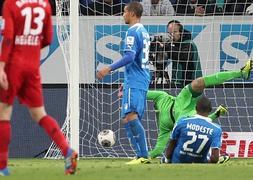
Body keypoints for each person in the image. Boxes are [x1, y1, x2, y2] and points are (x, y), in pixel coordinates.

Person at [0, 0, 77, 176]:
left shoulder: (11, 3)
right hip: (32, 66)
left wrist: (2, 65)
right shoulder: (44, 5)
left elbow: (9, 37)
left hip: (13, 65)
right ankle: (67, 151)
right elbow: (48, 38)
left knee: (4, 112)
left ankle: (2, 166)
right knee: (39, 114)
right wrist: (31, 47)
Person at [147, 59, 252, 159]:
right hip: (184, 118)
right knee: (194, 130)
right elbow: (158, 150)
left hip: (183, 100)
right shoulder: (164, 129)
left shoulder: (161, 97)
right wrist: (142, 156)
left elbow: (141, 94)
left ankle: (241, 73)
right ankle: (211, 158)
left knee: (198, 83)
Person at [97, 1, 151, 165]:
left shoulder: (132, 32)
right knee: (127, 119)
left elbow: (129, 57)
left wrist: (109, 68)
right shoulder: (143, 31)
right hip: (139, 78)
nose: (123, 15)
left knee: (131, 115)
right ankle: (139, 155)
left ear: (132, 13)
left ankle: (143, 155)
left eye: (124, 12)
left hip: (136, 79)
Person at [163, 96, 228, 163]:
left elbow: (171, 145)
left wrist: (167, 161)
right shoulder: (216, 129)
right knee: (208, 154)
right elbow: (214, 159)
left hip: (177, 161)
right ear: (210, 109)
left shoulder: (182, 121)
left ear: (195, 108)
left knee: (170, 151)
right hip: (200, 164)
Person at [152, 20, 202, 87]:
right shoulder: (175, 45)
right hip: (181, 83)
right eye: (169, 33)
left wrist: (165, 47)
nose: (172, 35)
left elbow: (182, 56)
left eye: (175, 32)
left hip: (192, 84)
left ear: (181, 32)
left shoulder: (189, 44)